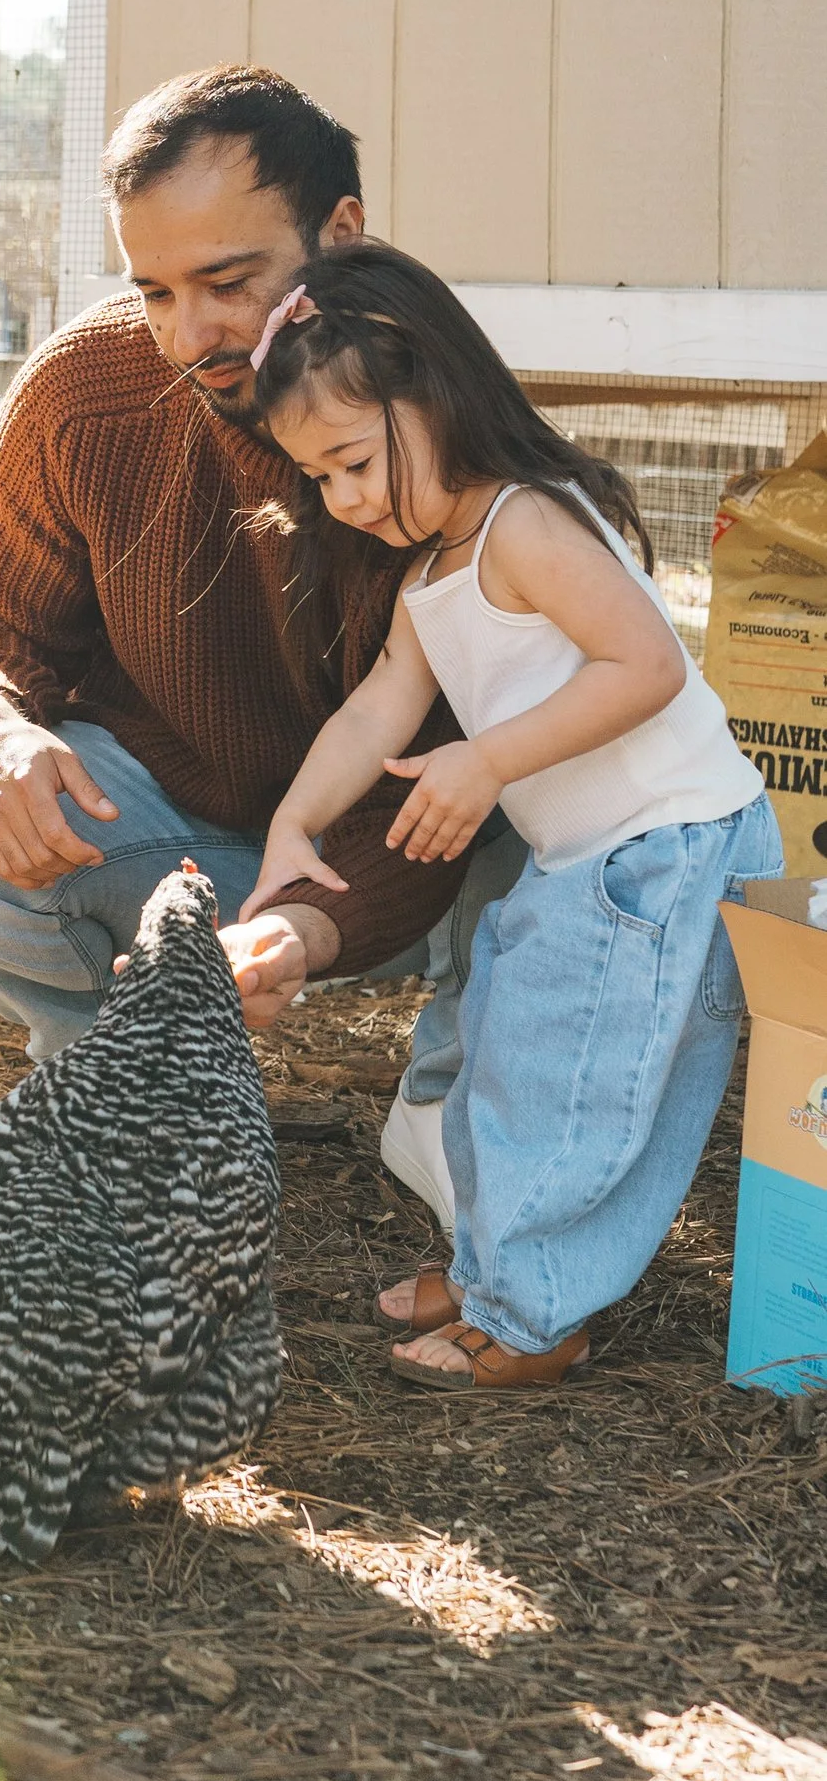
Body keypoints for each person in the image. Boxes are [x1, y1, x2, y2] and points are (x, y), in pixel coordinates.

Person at [0, 64, 525, 1208]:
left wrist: (304, 932)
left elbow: (438, 779)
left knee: (556, 825)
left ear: (340, 231)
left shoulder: (430, 413)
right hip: (175, 830)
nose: (189, 334)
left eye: (227, 282)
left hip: (411, 853)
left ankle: (454, 1119)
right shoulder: (88, 384)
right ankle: (135, 1092)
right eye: (156, 289)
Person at [245, 245, 777, 1391]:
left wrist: (484, 761)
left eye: (348, 461)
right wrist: (295, 823)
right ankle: (495, 1266)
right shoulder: (434, 565)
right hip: (600, 854)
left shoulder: (524, 525)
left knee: (572, 1078)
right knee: (505, 1051)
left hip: (668, 847)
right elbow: (377, 704)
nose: (340, 500)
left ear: (428, 393)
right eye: (317, 478)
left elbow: (646, 667)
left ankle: (535, 1317)